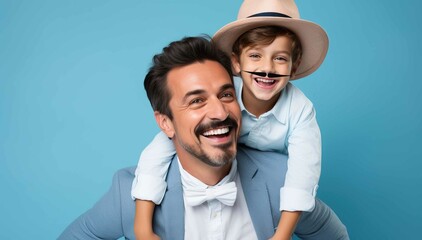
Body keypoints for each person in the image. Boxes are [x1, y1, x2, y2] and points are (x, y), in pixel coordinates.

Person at [58, 36, 348, 239]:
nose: (219, 112)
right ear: (165, 123)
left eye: (225, 94)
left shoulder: (279, 180)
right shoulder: (128, 194)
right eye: (196, 101)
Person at [132, 1, 344, 239]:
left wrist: (281, 235)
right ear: (235, 63)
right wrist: (142, 228)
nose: (267, 68)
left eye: (280, 58)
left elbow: (303, 173)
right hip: (222, 168)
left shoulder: (301, 111)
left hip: (261, 180)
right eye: (255, 55)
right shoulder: (221, 99)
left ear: (294, 68)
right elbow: (160, 147)